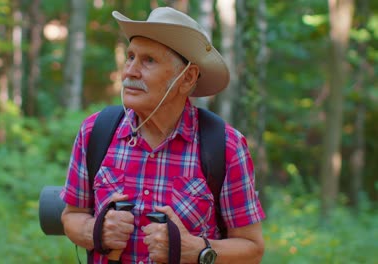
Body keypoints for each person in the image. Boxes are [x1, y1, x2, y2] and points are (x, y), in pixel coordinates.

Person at [60, 6, 265, 264]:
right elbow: (71, 215)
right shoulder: (95, 131)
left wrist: (198, 250)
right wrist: (95, 231)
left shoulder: (226, 146)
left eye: (148, 60)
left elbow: (252, 248)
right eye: (130, 57)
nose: (130, 72)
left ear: (187, 78)